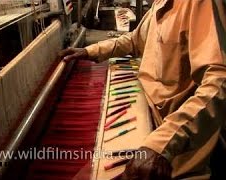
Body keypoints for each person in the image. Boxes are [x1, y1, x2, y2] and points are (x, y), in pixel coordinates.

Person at [59, 0, 226, 179]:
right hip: (148, 112)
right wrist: (91, 51)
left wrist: (160, 145)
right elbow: (134, 40)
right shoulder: (160, 3)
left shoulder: (200, 3)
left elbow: (219, 81)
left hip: (175, 135)